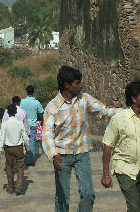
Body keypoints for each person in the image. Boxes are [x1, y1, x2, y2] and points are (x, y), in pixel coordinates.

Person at [42, 66, 122, 212]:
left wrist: (127, 111)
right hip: (62, 156)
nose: (81, 85)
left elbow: (104, 111)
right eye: (78, 83)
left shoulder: (84, 99)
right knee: (62, 197)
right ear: (67, 85)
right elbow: (47, 133)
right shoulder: (52, 107)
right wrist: (53, 155)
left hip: (82, 154)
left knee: (88, 193)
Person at [101, 80, 140, 212]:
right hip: (125, 168)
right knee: (135, 207)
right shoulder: (119, 118)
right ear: (134, 99)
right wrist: (106, 174)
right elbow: (108, 146)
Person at [0, 104, 31, 196]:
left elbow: (1, 138)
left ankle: (10, 186)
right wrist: (28, 149)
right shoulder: (19, 123)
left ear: (7, 112)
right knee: (20, 167)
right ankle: (19, 187)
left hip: (8, 148)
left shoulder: (5, 123)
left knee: (9, 167)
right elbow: (25, 138)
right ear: (15, 112)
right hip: (18, 148)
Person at [20, 85, 44, 166]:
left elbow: (19, 112)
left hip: (23, 125)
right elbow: (41, 113)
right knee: (32, 143)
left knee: (23, 142)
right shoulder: (36, 102)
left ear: (26, 92)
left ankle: (23, 159)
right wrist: (41, 121)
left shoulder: (22, 101)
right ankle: (30, 161)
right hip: (33, 125)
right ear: (33, 92)